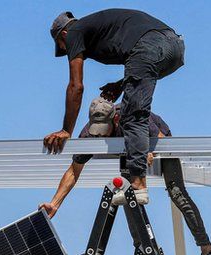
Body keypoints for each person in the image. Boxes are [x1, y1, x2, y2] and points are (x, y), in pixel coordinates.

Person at [39, 96, 211, 255]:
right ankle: (141, 245)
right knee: (126, 191)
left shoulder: (133, 116)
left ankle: (208, 251)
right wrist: (55, 203)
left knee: (177, 193)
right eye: (96, 131)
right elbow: (73, 172)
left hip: (154, 141)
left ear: (115, 119)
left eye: (103, 130)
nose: (100, 135)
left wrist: (149, 152)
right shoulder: (89, 133)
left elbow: (162, 141)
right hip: (128, 151)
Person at [45, 9, 184, 208]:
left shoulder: (75, 32)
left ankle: (138, 186)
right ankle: (138, 181)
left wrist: (66, 130)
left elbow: (76, 86)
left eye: (63, 47)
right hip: (173, 48)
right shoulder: (98, 29)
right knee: (132, 108)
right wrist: (121, 84)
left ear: (64, 35)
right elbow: (146, 62)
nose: (69, 52)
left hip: (150, 46)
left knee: (131, 116)